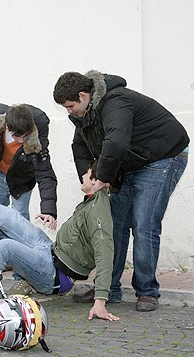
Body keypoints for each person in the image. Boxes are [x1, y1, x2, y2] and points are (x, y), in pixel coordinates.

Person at [53, 70, 189, 312]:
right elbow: (79, 146)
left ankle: (147, 291)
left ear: (84, 96)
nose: (69, 111)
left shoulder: (115, 101)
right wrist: (87, 175)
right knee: (112, 224)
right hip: (129, 162)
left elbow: (115, 142)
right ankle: (109, 288)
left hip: (163, 157)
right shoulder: (83, 115)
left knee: (143, 223)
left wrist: (102, 178)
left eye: (70, 106)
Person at [0, 161, 119, 321]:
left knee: (5, 248)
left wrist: (100, 301)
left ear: (96, 180)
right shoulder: (93, 201)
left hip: (55, 275)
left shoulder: (99, 213)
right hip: (49, 250)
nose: (83, 175)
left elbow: (105, 256)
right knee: (11, 217)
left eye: (87, 173)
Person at [0, 103, 58, 234]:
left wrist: (49, 211)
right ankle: (2, 246)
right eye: (18, 136)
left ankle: (22, 250)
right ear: (7, 126)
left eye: (25, 136)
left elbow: (45, 173)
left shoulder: (36, 138)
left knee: (20, 219)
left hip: (23, 179)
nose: (22, 140)